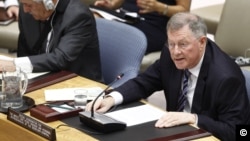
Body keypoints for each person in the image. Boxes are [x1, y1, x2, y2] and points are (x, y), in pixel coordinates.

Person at [86, 12, 250, 140]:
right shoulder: (171, 54)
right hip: (172, 132)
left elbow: (237, 132)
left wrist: (194, 119)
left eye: (183, 44)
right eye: (171, 43)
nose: (175, 52)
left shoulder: (226, 77)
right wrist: (111, 98)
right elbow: (145, 81)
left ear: (202, 42)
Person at [0, 0, 102, 81]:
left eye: (29, 5)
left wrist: (14, 65)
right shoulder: (27, 11)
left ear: (48, 2)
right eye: (23, 4)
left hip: (79, 86)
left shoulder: (78, 16)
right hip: (42, 78)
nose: (25, 9)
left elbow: (61, 59)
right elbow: (25, 50)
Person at [93, 0, 191, 54]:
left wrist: (159, 7)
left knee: (110, 35)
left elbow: (184, 11)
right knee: (91, 20)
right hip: (126, 17)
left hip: (155, 25)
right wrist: (111, 4)